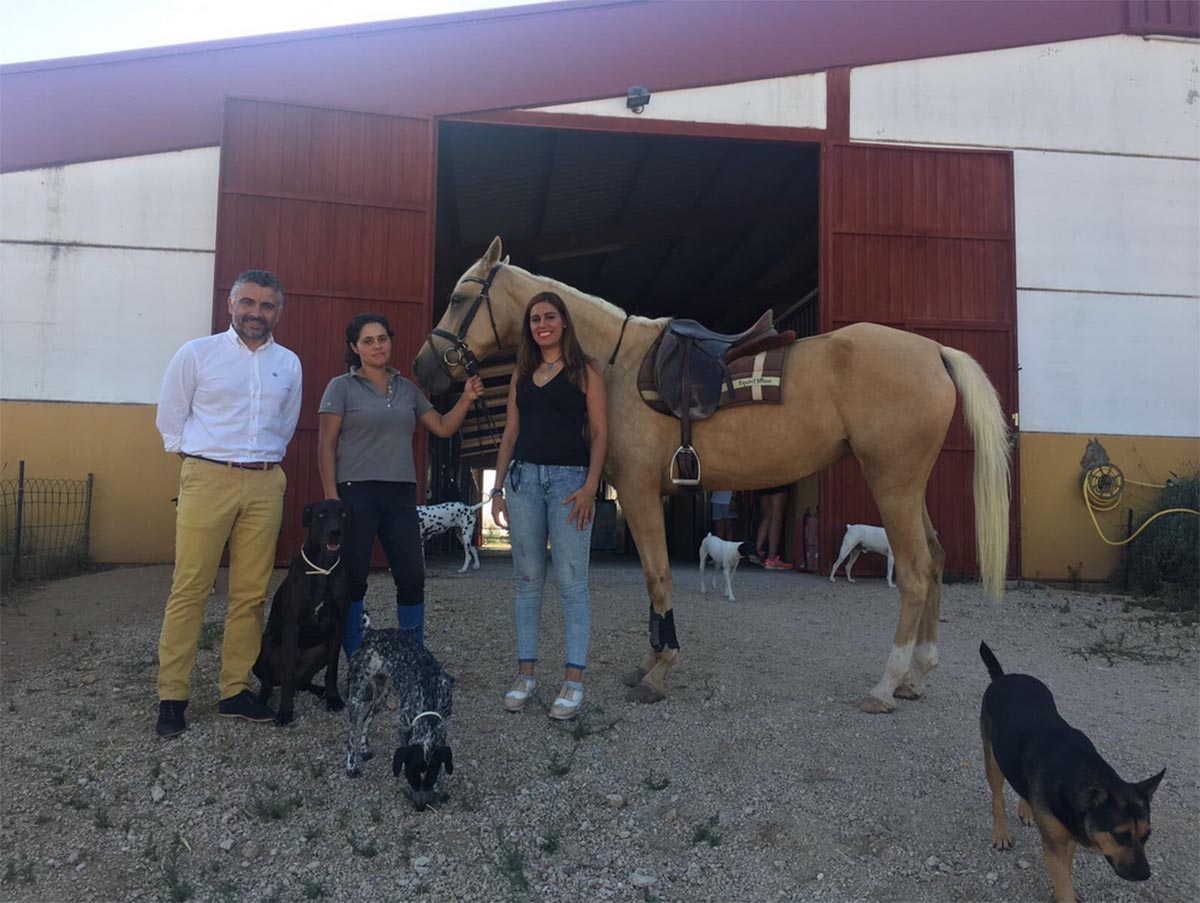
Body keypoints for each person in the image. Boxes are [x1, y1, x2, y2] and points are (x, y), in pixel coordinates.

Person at [154, 269, 302, 738]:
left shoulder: (289, 363)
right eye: (249, 303)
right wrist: (204, 461)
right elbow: (170, 420)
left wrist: (260, 465)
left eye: (267, 306)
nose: (257, 313)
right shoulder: (196, 354)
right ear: (231, 305)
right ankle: (172, 696)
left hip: (264, 482)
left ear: (278, 311)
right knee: (190, 588)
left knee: (250, 593)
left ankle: (234, 689)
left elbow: (287, 423)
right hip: (207, 477)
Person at [318, 313, 483, 654]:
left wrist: (465, 398)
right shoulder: (341, 387)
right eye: (368, 341)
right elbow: (326, 445)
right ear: (354, 347)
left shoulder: (407, 388)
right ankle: (355, 659)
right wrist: (332, 498)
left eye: (382, 338)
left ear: (390, 341)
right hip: (355, 493)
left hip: (401, 494)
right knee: (354, 579)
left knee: (411, 576)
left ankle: (413, 657)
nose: (377, 346)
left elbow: (441, 426)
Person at [490, 291, 608, 721]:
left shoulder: (585, 371)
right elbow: (509, 434)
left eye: (550, 317)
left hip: (568, 483)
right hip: (523, 482)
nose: (543, 324)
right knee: (527, 580)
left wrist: (591, 486)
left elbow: (598, 432)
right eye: (536, 318)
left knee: (572, 583)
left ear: (563, 322)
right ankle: (526, 676)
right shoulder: (522, 373)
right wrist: (497, 488)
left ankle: (573, 682)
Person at [755, 485, 792, 570]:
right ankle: (771, 558)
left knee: (767, 515)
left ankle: (756, 552)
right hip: (778, 479)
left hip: (762, 480)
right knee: (776, 517)